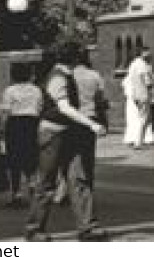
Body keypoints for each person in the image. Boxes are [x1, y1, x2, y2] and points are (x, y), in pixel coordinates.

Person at [25, 42, 107, 242]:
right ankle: (35, 229)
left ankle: (87, 226)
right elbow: (64, 108)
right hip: (53, 133)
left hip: (66, 132)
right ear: (73, 58)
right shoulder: (58, 77)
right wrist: (92, 124)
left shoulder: (62, 75)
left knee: (78, 177)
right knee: (47, 181)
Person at [0, 65, 44, 207]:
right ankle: (32, 186)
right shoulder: (37, 90)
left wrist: (1, 130)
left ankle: (17, 193)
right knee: (31, 156)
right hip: (32, 124)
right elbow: (40, 108)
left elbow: (6, 112)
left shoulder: (10, 90)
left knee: (14, 158)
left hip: (15, 124)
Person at [123, 48, 153, 148]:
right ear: (143, 53)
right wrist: (153, 80)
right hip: (143, 94)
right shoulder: (141, 64)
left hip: (136, 94)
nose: (149, 54)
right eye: (148, 52)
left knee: (143, 118)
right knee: (144, 118)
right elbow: (147, 81)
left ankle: (139, 140)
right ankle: (139, 142)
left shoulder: (133, 63)